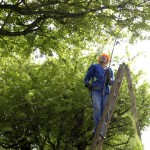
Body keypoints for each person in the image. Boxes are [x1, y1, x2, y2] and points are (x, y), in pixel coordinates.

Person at [84, 53, 114, 138]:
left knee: (104, 110)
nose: (103, 58)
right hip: (96, 90)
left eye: (105, 57)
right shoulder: (94, 66)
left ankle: (100, 130)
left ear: (107, 61)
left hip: (106, 92)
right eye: (102, 57)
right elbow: (86, 78)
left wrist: (109, 77)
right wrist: (88, 84)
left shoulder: (109, 69)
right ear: (99, 59)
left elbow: (112, 82)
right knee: (97, 107)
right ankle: (97, 129)